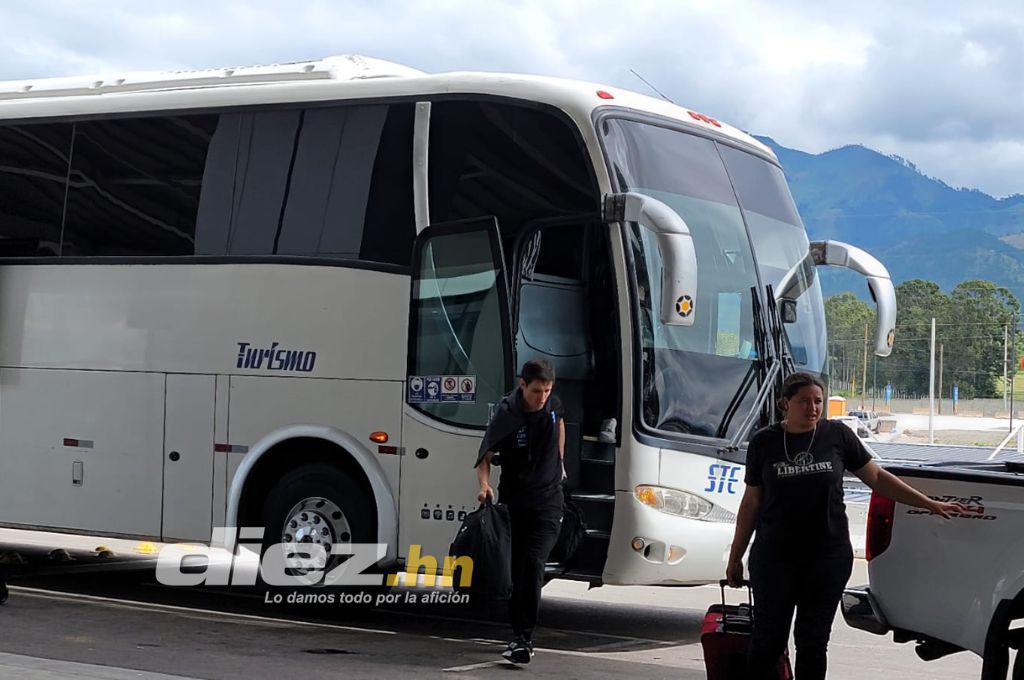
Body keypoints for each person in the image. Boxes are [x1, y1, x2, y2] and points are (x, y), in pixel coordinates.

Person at [726, 372, 964, 680]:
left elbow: (877, 478)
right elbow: (751, 504)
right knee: (767, 643)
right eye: (803, 402)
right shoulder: (764, 442)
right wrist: (736, 556)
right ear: (784, 403)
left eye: (818, 401)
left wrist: (929, 503)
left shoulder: (837, 436)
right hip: (774, 560)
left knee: (812, 642)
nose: (812, 408)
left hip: (827, 558)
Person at [474, 358, 565, 665]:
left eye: (547, 390)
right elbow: (485, 455)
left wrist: (559, 465)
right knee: (515, 569)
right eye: (537, 391)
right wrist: (484, 485)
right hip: (515, 501)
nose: (542, 398)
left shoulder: (554, 406)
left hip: (549, 502)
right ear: (522, 385)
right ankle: (517, 632)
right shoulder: (506, 415)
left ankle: (524, 637)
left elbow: (560, 426)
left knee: (533, 562)